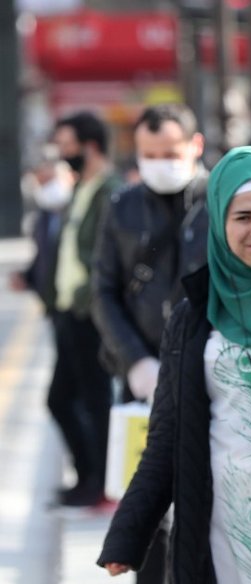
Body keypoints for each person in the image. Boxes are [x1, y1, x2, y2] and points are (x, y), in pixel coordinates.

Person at [97, 146, 251, 584]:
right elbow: (167, 434)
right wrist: (127, 536)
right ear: (219, 225)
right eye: (242, 217)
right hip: (219, 522)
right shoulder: (193, 317)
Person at [93, 103, 209, 405]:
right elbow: (103, 290)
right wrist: (135, 360)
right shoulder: (123, 205)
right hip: (142, 372)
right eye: (149, 155)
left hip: (210, 368)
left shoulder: (220, 201)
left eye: (170, 154)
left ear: (196, 145)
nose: (160, 164)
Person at [49, 111, 124, 507]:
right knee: (61, 399)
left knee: (94, 399)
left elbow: (102, 256)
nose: (63, 153)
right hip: (68, 311)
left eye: (67, 145)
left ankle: (99, 482)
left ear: (90, 146)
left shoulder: (109, 189)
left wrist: (87, 300)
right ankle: (87, 477)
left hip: (88, 313)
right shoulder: (82, 186)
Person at [9, 150, 74, 311]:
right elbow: (44, 254)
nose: (43, 183)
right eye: (40, 180)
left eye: (48, 178)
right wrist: (27, 277)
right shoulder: (43, 215)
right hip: (54, 299)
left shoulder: (74, 206)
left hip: (75, 299)